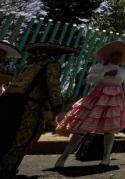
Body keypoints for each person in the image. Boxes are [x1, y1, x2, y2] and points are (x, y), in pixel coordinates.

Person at [0, 41, 78, 177]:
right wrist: (58, 106)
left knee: (4, 132)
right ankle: (6, 168)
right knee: (21, 136)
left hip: (8, 100)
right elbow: (52, 85)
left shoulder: (32, 63)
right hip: (29, 105)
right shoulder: (52, 64)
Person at [55, 40, 125, 168]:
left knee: (110, 129)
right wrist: (105, 74)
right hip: (98, 96)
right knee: (81, 127)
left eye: (119, 55)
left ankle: (106, 157)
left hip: (115, 99)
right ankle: (63, 157)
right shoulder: (99, 67)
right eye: (115, 54)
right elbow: (89, 79)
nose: (117, 57)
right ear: (109, 56)